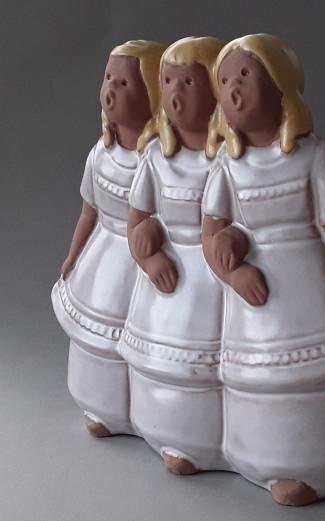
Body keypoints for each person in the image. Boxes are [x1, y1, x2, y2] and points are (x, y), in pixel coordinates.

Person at [202, 34, 325, 505]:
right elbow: (211, 232)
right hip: (258, 305)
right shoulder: (227, 167)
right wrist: (231, 269)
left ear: (280, 86)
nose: (233, 89)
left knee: (318, 375)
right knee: (261, 380)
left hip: (309, 289)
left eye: (246, 75)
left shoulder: (316, 158)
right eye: (225, 80)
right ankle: (269, 463)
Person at [118, 37, 228, 474]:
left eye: (189, 82)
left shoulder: (227, 159)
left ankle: (215, 441)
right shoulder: (155, 158)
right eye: (167, 82)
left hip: (217, 278)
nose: (176, 94)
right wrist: (149, 259)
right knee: (169, 362)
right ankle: (175, 438)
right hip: (172, 281)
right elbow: (136, 220)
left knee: (215, 367)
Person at [51, 40, 165, 437]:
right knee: (98, 337)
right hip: (105, 255)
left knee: (143, 340)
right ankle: (103, 407)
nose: (111, 89)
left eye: (125, 83)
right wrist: (74, 255)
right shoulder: (100, 154)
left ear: (152, 94)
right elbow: (89, 212)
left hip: (143, 260)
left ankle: (152, 415)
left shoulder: (159, 160)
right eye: (108, 78)